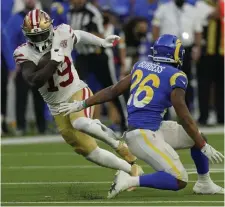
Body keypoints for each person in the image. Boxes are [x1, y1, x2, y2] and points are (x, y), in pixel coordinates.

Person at [59, 34, 224, 198]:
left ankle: (204, 183)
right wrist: (203, 146)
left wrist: (83, 103)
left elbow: (113, 90)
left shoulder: (141, 66)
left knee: (197, 137)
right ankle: (130, 180)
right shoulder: (176, 76)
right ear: (175, 54)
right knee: (179, 179)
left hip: (150, 129)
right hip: (143, 135)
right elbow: (184, 116)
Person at [13, 9, 143, 179]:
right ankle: (131, 170)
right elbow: (34, 80)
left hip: (76, 90)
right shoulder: (23, 52)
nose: (38, 40)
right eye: (34, 36)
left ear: (51, 29)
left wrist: (101, 42)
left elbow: (78, 35)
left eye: (42, 35)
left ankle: (119, 146)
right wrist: (53, 62)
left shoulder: (62, 33)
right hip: (57, 108)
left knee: (81, 122)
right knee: (89, 151)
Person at [68, 0, 128, 132]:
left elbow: (100, 35)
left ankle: (125, 120)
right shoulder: (71, 12)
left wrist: (83, 34)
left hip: (98, 54)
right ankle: (75, 121)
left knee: (113, 88)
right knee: (74, 87)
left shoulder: (92, 12)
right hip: (82, 56)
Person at [152, 0, 202, 111]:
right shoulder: (163, 9)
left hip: (185, 49)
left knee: (185, 79)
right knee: (164, 80)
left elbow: (198, 31)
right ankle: (164, 112)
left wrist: (197, 48)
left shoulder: (192, 10)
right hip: (166, 49)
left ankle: (186, 111)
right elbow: (155, 28)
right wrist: (156, 46)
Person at [5, 0, 46, 135]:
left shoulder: (42, 17)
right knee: (21, 97)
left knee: (40, 97)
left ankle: (42, 127)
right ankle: (20, 126)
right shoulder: (16, 18)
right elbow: (9, 41)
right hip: (24, 64)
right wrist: (14, 62)